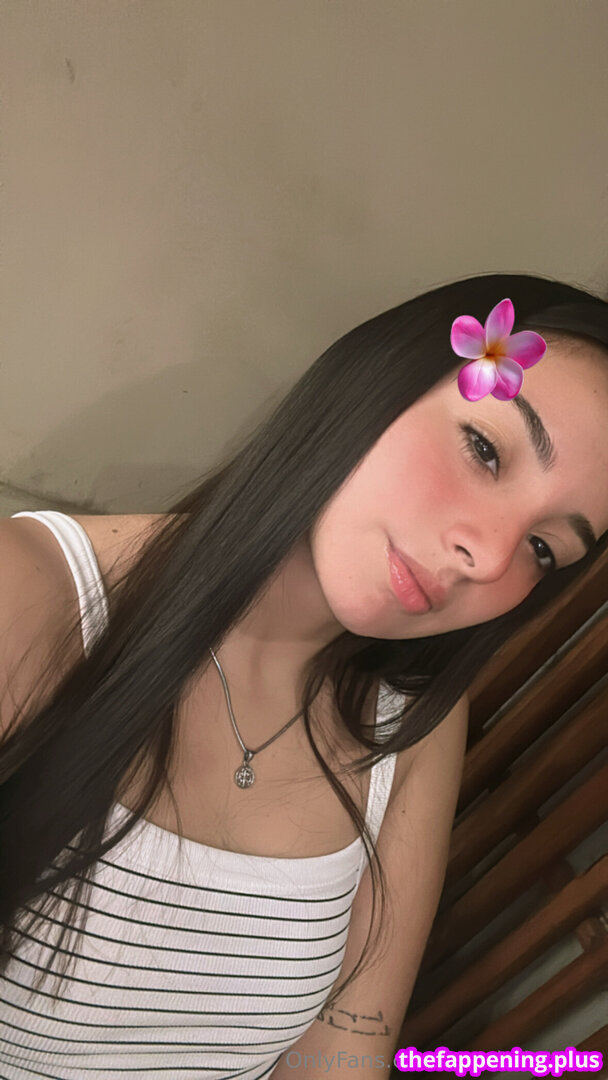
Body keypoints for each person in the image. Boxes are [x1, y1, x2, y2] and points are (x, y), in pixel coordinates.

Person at [0, 272, 606, 1077]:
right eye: (485, 449)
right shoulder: (29, 596)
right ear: (377, 380)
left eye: (542, 549)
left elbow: (342, 1051)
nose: (488, 556)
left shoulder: (409, 726)